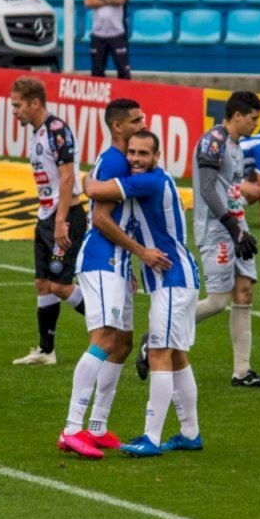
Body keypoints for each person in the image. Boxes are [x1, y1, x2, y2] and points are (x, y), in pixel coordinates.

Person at [140, 90, 260, 388]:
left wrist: (241, 226)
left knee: (244, 293)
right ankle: (154, 337)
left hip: (236, 227)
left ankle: (242, 373)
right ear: (237, 115)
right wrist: (232, 226)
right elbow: (207, 189)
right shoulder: (212, 142)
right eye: (253, 118)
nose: (256, 124)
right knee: (217, 302)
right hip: (218, 230)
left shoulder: (236, 144)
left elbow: (230, 189)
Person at [57, 100, 171, 459]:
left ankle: (97, 427)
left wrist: (130, 264)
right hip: (102, 258)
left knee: (121, 343)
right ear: (118, 126)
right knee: (105, 337)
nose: (143, 121)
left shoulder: (126, 160)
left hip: (118, 262)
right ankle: (72, 428)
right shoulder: (117, 159)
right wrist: (140, 252)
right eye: (136, 119)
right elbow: (103, 219)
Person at [85, 130, 203, 457]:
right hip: (175, 279)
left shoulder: (149, 182)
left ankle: (151, 438)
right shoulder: (155, 180)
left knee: (158, 355)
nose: (135, 159)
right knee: (177, 355)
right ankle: (190, 432)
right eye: (132, 153)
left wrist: (84, 174)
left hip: (172, 279)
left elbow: (94, 190)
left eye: (143, 154)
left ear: (157, 156)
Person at [9, 76, 87, 366]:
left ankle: (110, 327)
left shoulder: (57, 130)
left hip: (65, 217)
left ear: (35, 103)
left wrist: (60, 221)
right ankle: (46, 351)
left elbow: (68, 177)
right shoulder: (38, 131)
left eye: (18, 106)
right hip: (46, 216)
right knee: (43, 283)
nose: (14, 111)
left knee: (60, 285)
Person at [85, 0, 133, 79]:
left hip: (117, 33)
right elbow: (88, 1)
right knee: (97, 72)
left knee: (123, 72)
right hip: (98, 33)